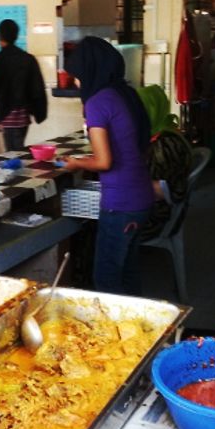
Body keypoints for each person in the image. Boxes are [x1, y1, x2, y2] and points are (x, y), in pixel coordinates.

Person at [62, 37, 153, 295]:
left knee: (107, 279)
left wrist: (75, 163)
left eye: (76, 76)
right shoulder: (125, 94)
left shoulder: (97, 103)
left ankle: (117, 334)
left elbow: (104, 161)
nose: (76, 83)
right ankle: (138, 329)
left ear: (88, 71)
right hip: (142, 196)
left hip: (120, 204)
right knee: (129, 272)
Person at [0, 19, 47, 151]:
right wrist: (39, 113)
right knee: (19, 150)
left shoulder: (0, 59)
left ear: (0, 36)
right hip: (24, 117)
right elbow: (37, 89)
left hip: (7, 116)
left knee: (13, 154)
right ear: (16, 35)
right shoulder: (28, 59)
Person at [136, 84, 193, 241]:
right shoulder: (164, 131)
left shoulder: (165, 146)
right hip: (161, 210)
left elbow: (157, 189)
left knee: (94, 220)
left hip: (156, 218)